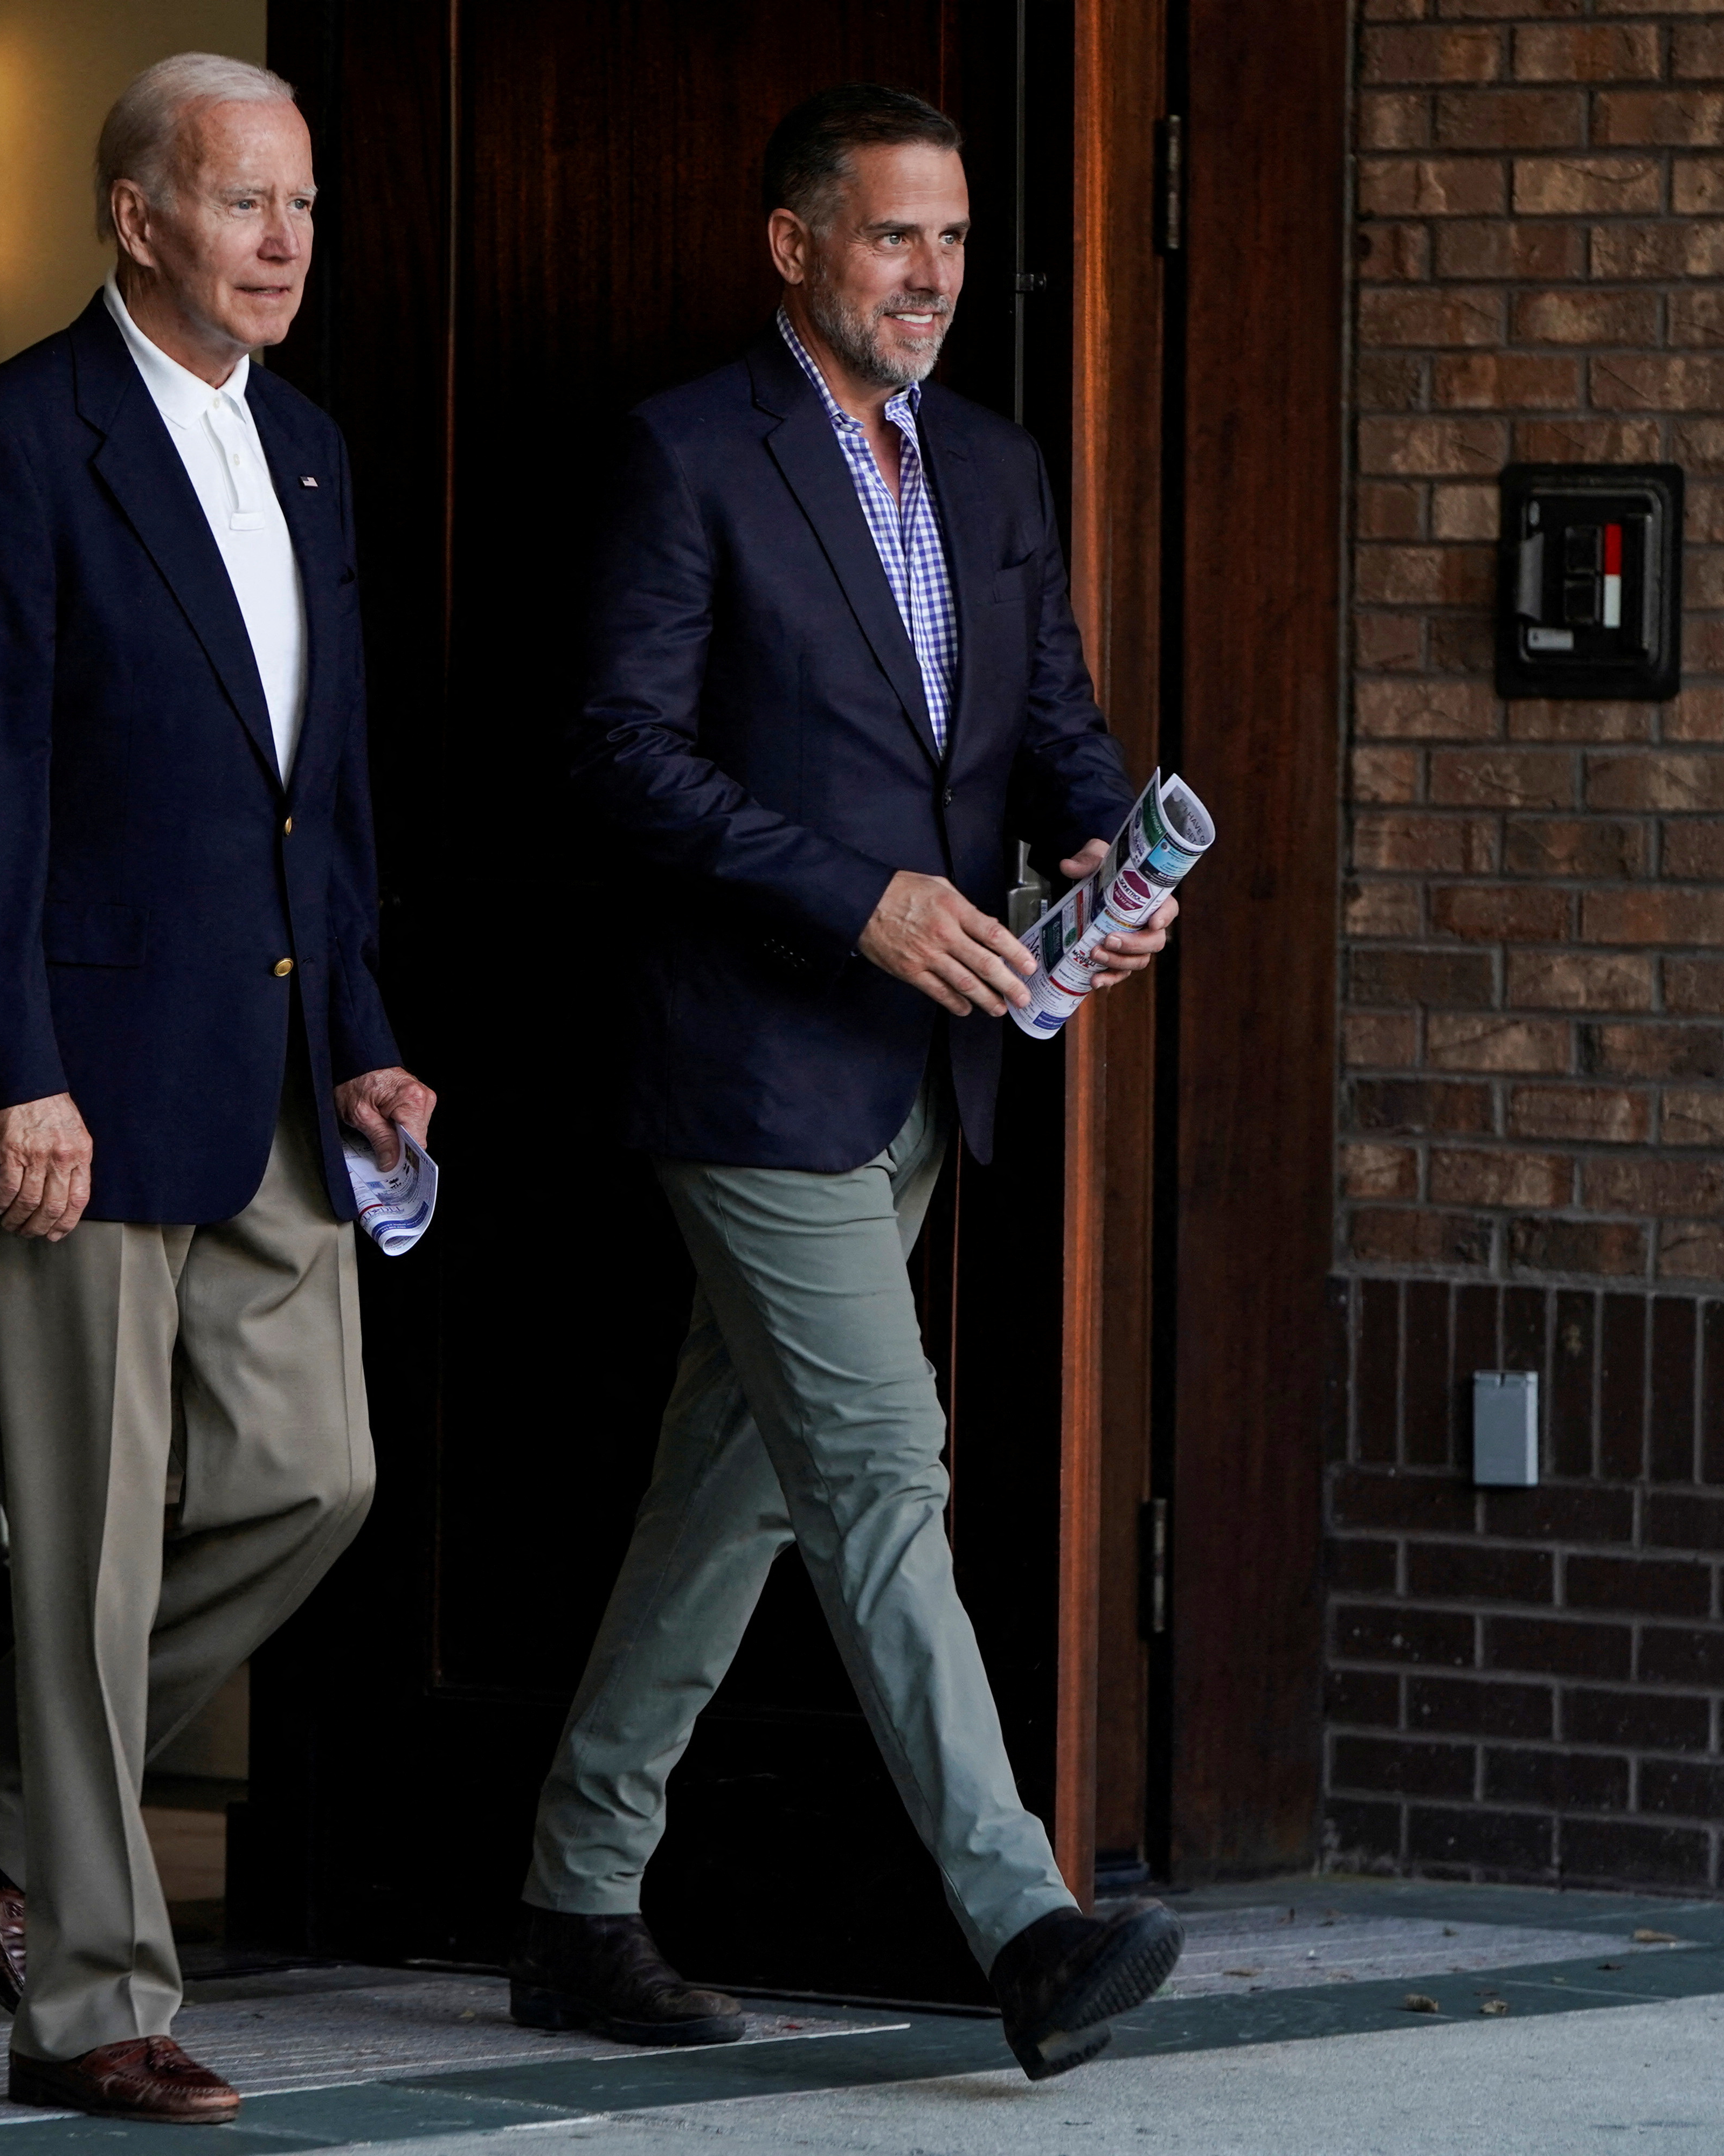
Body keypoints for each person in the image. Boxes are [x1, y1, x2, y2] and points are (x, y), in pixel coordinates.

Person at [510, 82, 1181, 2084]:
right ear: (794, 246)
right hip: (749, 1061)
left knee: (730, 1493)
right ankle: (1027, 1920)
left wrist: (1104, 865)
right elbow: (618, 756)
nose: (935, 275)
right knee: (886, 1471)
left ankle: (573, 1894)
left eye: (956, 240)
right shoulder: (686, 454)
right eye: (896, 237)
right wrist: (865, 905)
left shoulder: (987, 465)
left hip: (933, 1066)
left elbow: (1054, 730)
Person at [0, 51, 433, 2127]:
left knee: (319, 1477)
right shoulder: (10, 446)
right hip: (73, 1097)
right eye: (242, 202)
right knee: (90, 1555)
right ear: (135, 218)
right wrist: (10, 1066)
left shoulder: (307, 455)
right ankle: (93, 1997)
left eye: (301, 205)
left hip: (273, 1067)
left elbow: (326, 788)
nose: (286, 242)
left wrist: (362, 1024)